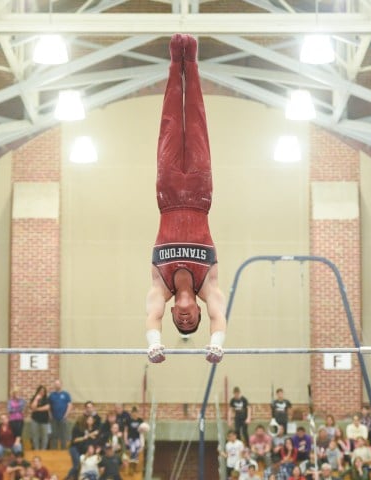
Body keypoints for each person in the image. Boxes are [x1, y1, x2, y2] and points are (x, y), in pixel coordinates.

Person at [144, 32, 227, 364]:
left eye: (180, 321)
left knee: (169, 122)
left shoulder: (159, 289)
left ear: (173, 314)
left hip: (167, 196)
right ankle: (190, 61)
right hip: (199, 194)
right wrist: (215, 344)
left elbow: (151, 318)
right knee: (195, 121)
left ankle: (173, 60)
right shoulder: (209, 288)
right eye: (191, 321)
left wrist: (154, 343)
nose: (185, 317)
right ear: (198, 313)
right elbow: (220, 317)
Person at [48, 379, 72, 450]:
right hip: (54, 418)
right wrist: (50, 415)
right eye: (55, 384)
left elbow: (69, 405)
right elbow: (48, 406)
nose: (57, 385)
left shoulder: (66, 394)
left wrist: (66, 415)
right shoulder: (51, 395)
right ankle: (54, 450)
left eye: (58, 384)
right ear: (54, 385)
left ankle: (63, 450)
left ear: (61, 385)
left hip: (63, 418)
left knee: (63, 435)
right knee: (54, 435)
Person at [30, 385, 51, 450]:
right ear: (38, 391)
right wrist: (36, 399)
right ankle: (36, 449)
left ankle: (43, 450)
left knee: (45, 436)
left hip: (44, 420)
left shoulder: (47, 399)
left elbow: (47, 407)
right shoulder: (34, 398)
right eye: (40, 391)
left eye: (43, 391)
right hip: (35, 420)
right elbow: (32, 407)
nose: (42, 393)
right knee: (35, 435)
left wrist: (37, 409)